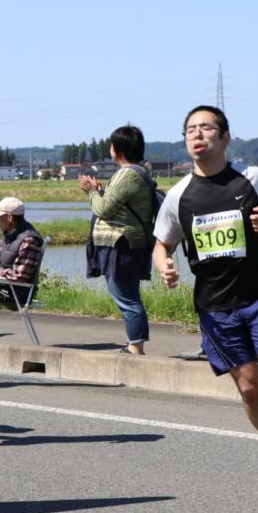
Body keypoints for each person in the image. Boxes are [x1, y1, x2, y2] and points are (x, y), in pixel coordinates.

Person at [152, 105, 258, 485]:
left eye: (206, 128)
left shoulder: (253, 178)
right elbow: (161, 243)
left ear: (225, 137)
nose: (197, 135)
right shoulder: (178, 196)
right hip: (215, 308)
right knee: (249, 386)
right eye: (190, 130)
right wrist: (164, 264)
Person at [80, 125, 155, 354]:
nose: (110, 148)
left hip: (121, 244)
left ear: (118, 149)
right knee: (127, 294)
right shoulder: (133, 173)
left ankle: (135, 346)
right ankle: (135, 343)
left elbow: (104, 208)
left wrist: (91, 193)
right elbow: (115, 205)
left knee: (126, 297)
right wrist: (100, 191)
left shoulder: (127, 174)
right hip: (125, 243)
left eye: (112, 144)